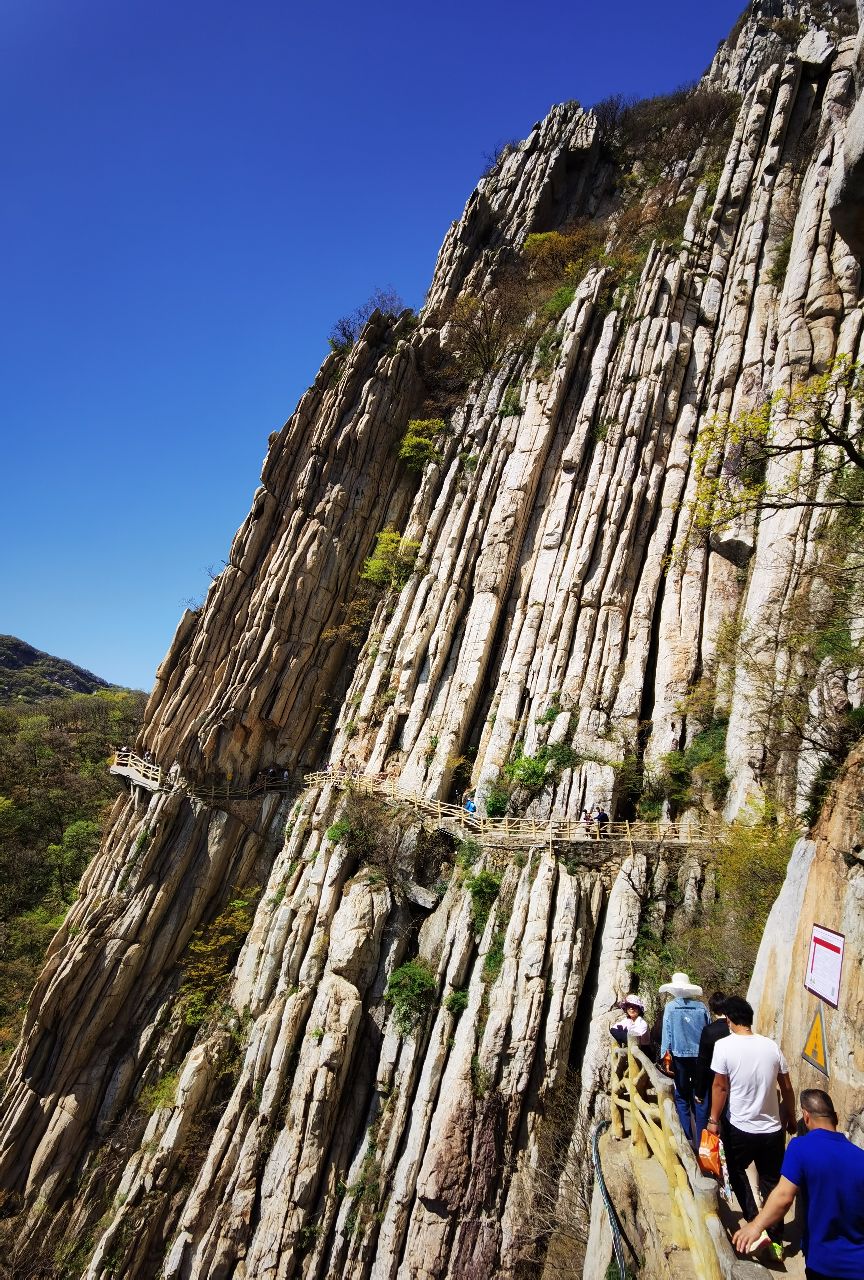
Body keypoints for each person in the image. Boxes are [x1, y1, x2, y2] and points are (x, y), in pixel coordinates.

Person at [732, 1088, 864, 1277]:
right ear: (835, 1116)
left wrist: (756, 1225)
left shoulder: (800, 1148)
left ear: (806, 1116)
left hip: (824, 1264)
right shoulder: (860, 1157)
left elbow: (784, 1197)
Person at [708, 995, 796, 1259]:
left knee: (735, 1171)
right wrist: (790, 1116)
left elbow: (720, 1086)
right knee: (772, 1182)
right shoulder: (771, 1046)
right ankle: (776, 1241)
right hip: (772, 1129)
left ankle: (754, 1220)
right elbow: (787, 1087)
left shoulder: (724, 1046)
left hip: (740, 1127)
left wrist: (713, 1120)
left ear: (730, 1020)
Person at [659, 971, 710, 1147]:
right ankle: (703, 1140)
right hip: (701, 1057)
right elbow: (708, 1030)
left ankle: (687, 1138)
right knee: (700, 1096)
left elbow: (667, 1035)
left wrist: (665, 1056)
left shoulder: (671, 1008)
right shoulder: (701, 1007)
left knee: (681, 1096)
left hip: (680, 1057)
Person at [693, 992, 729, 1138]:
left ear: (712, 1009)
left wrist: (699, 1091)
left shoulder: (709, 1031)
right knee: (725, 1114)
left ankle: (703, 1146)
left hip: (710, 1079)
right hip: (729, 1078)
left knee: (703, 1112)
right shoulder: (731, 1029)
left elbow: (703, 1061)